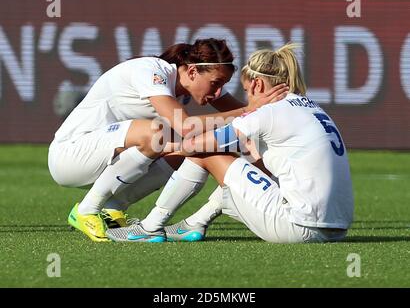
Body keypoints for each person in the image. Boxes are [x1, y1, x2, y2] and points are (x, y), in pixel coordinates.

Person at [106, 44, 354, 243]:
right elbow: (255, 165)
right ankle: (195, 224)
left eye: (247, 90)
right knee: (245, 160)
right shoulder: (313, 109)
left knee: (207, 152)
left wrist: (165, 147)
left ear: (257, 84)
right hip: (337, 228)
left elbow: (198, 145)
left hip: (297, 227)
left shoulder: (269, 112)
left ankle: (150, 227)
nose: (248, 97)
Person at [48, 38, 288, 242]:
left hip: (104, 157)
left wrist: (275, 107)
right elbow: (186, 125)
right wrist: (244, 112)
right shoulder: (152, 71)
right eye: (216, 84)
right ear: (192, 71)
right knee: (160, 134)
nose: (217, 93)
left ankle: (113, 209)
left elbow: (245, 114)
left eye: (223, 85)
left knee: (186, 152)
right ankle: (86, 210)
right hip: (70, 156)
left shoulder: (199, 79)